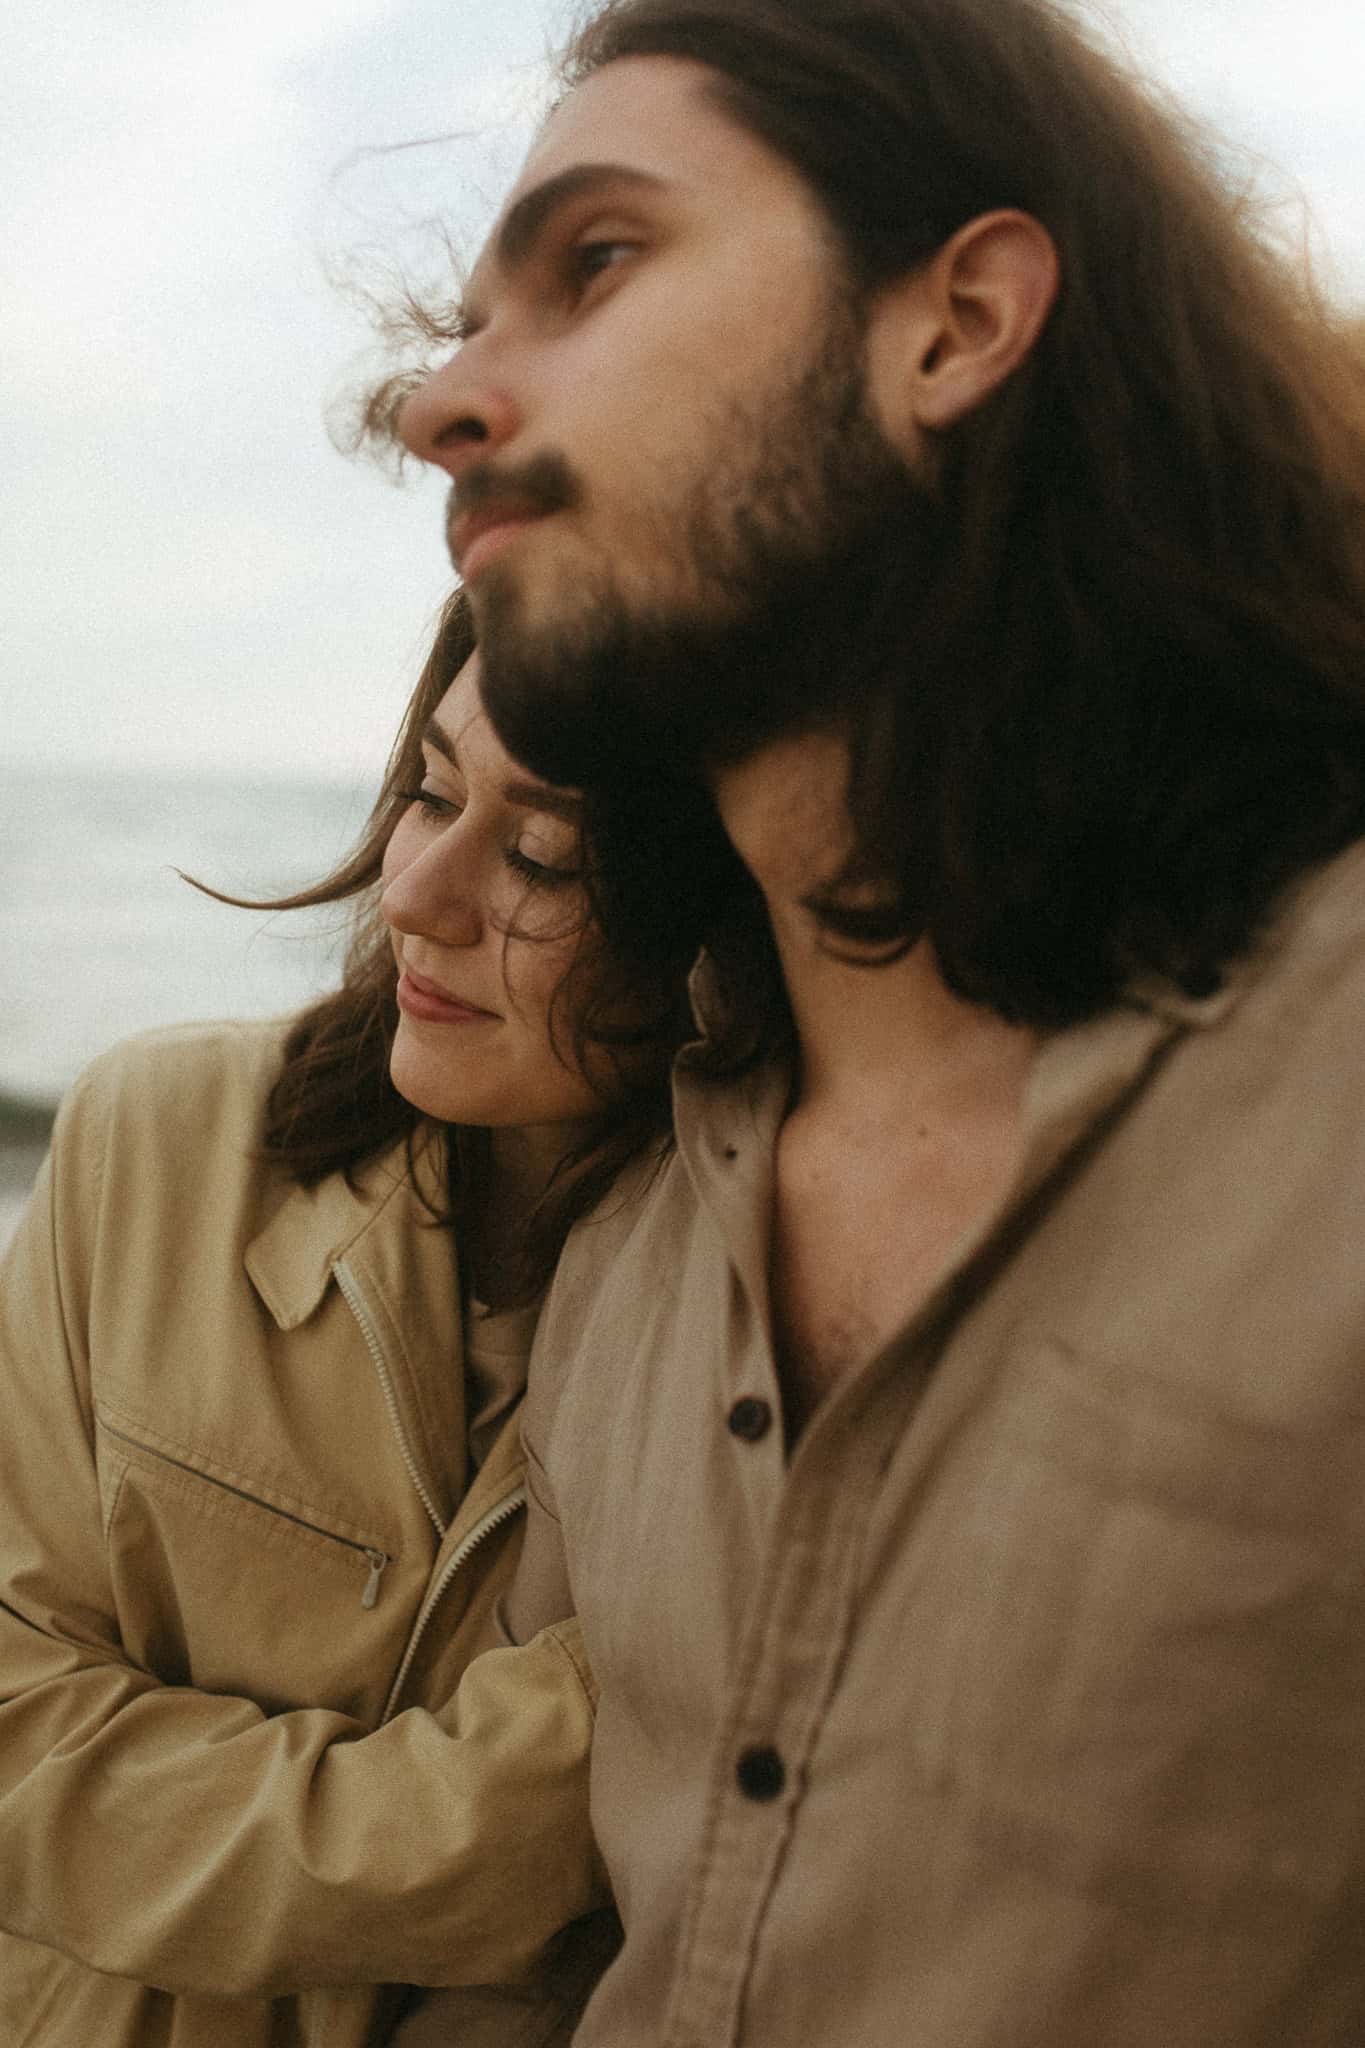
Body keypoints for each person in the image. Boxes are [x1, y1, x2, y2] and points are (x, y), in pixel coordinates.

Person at [387, 0, 1365, 2041]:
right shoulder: (639, 1245)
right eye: (468, 316)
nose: (445, 406)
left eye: (596, 263)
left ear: (955, 322)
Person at [0, 588, 710, 2048]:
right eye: (430, 795)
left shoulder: (763, 1324)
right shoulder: (157, 1137)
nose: (415, 895)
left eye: (541, 855)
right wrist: (517, 1803)